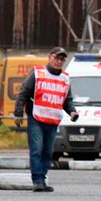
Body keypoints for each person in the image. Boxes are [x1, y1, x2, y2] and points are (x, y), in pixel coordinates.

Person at [14, 47, 79, 192]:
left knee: (48, 152)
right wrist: (18, 113)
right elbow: (23, 93)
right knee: (37, 149)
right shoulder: (37, 73)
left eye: (62, 59)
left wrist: (72, 112)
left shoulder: (65, 79)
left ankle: (42, 179)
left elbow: (67, 101)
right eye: (56, 58)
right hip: (36, 118)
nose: (58, 61)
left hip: (52, 120)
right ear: (49, 57)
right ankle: (37, 180)